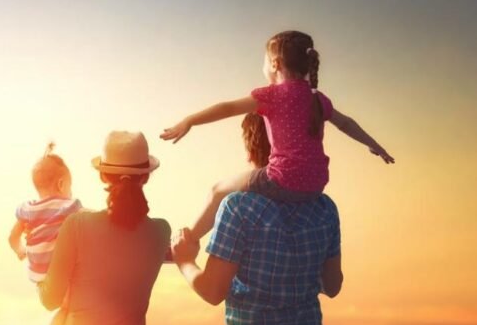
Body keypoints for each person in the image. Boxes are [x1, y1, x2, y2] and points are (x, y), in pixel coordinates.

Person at [170, 114, 342, 325]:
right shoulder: (324, 207)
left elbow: (212, 291)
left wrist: (184, 261)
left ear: (250, 151)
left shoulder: (238, 206)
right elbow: (333, 285)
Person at [161, 30, 393, 243]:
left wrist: (189, 120)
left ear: (275, 63)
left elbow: (228, 108)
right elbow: (346, 123)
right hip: (316, 184)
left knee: (218, 190)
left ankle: (186, 241)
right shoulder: (317, 98)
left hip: (282, 179)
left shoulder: (272, 95)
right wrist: (374, 145)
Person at [37, 131, 171, 325]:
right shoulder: (161, 232)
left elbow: (50, 300)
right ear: (145, 177)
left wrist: (37, 270)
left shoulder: (76, 226)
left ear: (102, 177)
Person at [9, 142, 82, 325]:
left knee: (64, 306)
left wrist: (20, 250)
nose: (71, 191)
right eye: (70, 185)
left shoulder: (28, 210)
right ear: (61, 185)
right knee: (69, 307)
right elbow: (90, 218)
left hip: (39, 278)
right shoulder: (69, 207)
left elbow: (12, 237)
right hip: (59, 275)